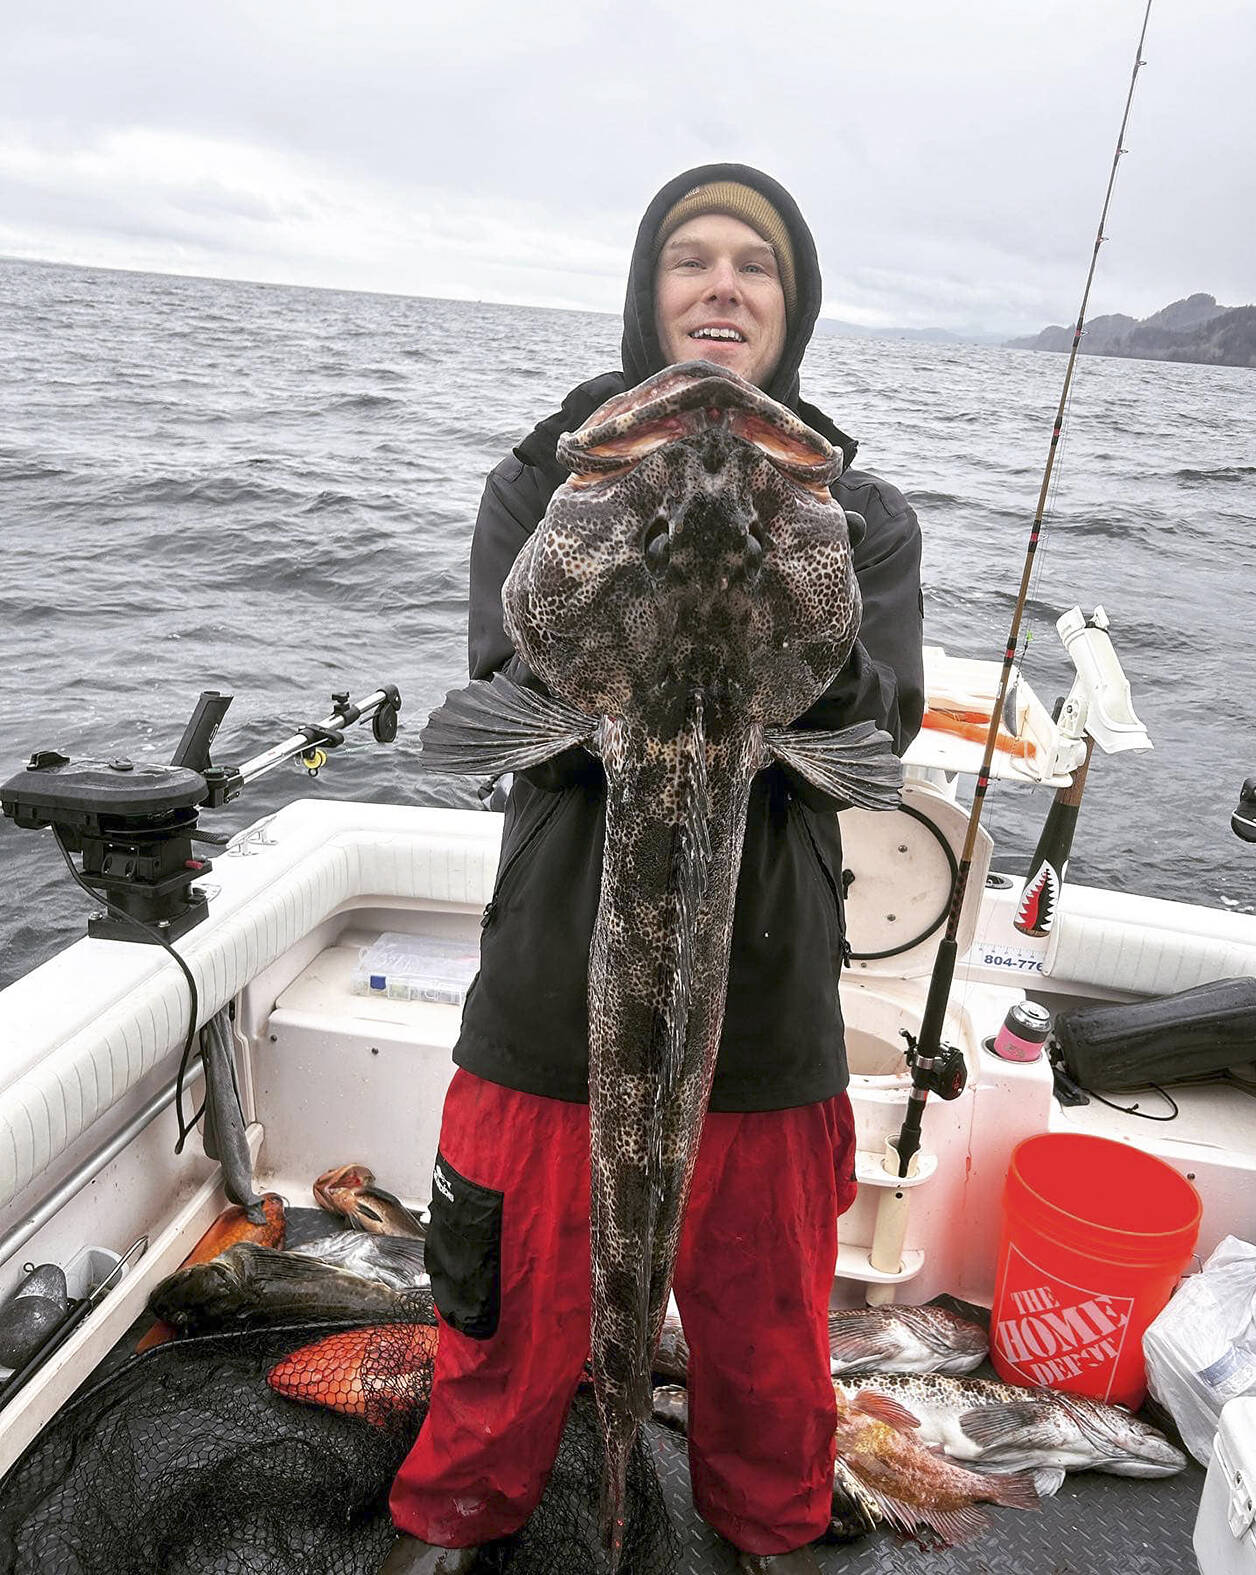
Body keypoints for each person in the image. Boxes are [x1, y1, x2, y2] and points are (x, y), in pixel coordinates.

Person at [383, 163, 925, 1575]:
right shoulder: (547, 470)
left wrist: (795, 597)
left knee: (768, 1335)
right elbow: (508, 672)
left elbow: (883, 726)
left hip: (769, 1002)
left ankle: (771, 1526)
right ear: (650, 292)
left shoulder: (858, 512)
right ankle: (466, 1509)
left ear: (791, 307)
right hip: (550, 989)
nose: (724, 284)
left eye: (758, 264)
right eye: (693, 259)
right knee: (504, 1314)